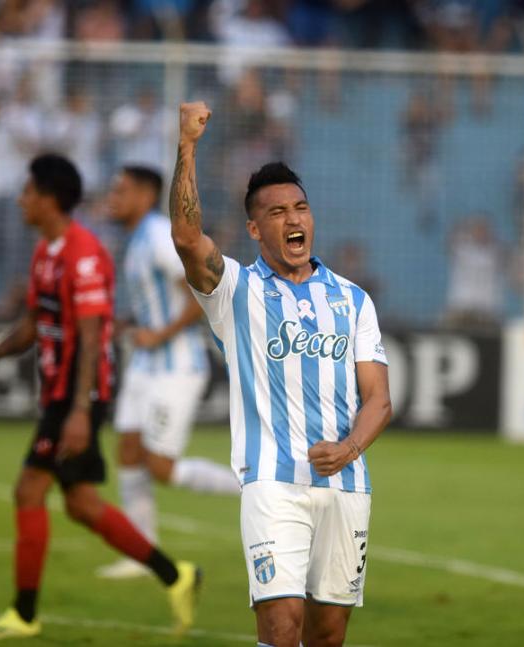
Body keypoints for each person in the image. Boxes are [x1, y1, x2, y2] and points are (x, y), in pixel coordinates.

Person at [0, 154, 200, 640]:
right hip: (63, 394)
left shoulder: (82, 254)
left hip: (77, 395)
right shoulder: (47, 252)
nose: (21, 200)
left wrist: (80, 410)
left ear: (50, 199)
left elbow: (94, 329)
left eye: (28, 192)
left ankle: (24, 614)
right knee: (80, 503)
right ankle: (175, 575)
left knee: (29, 490)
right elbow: (34, 325)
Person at [169, 102, 392, 647]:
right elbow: (185, 238)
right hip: (272, 485)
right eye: (276, 212)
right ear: (253, 227)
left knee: (327, 633)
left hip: (346, 485)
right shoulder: (236, 293)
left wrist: (350, 449)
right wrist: (188, 146)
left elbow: (378, 399)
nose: (293, 220)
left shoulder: (353, 299)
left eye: (301, 208)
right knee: (280, 623)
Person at [97, 165, 239, 580]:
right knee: (126, 449)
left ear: (144, 195)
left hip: (176, 366)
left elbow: (199, 294)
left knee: (160, 467)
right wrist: (132, 325)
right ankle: (142, 553)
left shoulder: (159, 236)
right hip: (146, 365)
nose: (112, 198)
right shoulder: (137, 239)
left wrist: (159, 334)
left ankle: (255, 487)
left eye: (120, 191)